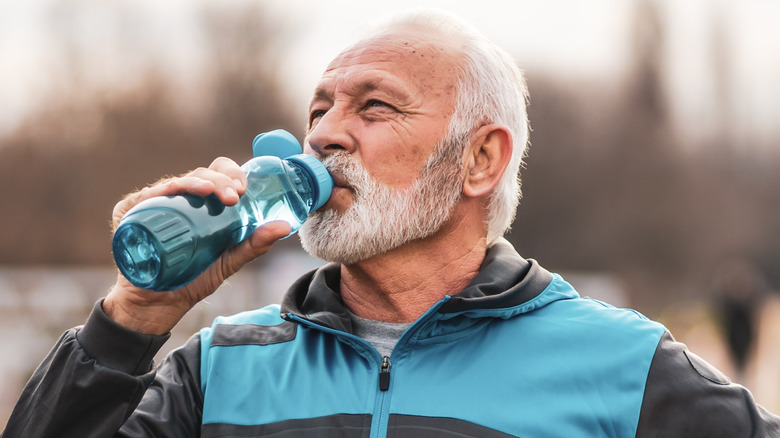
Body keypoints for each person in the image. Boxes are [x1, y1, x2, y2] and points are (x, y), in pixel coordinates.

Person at [3, 9, 779, 438]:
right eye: (319, 110)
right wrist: (132, 320)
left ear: (480, 161)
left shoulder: (622, 366)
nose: (325, 135)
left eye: (373, 106)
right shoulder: (218, 371)